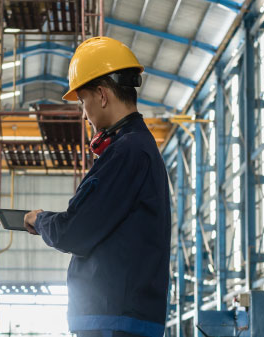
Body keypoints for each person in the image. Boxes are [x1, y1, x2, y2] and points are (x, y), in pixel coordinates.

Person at [22, 36, 171, 337]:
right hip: (123, 318)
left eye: (82, 100)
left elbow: (74, 231)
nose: (84, 111)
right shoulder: (137, 148)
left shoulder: (125, 152)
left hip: (114, 321)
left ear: (102, 95)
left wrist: (39, 219)